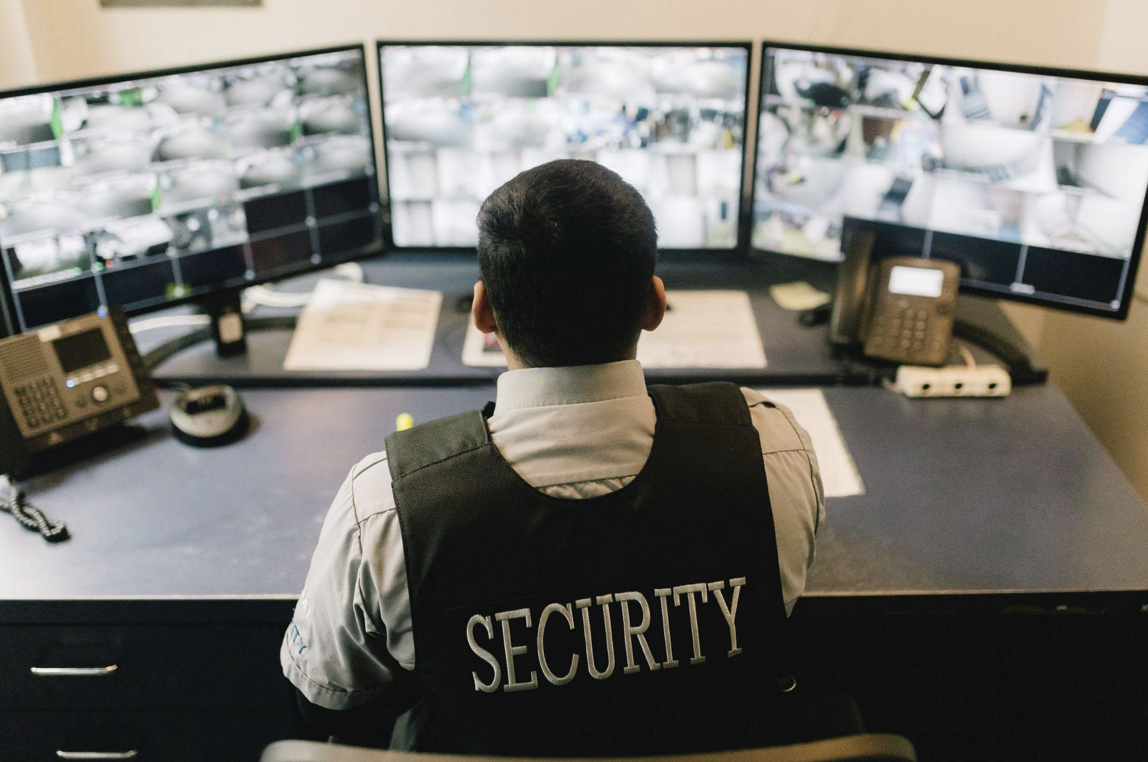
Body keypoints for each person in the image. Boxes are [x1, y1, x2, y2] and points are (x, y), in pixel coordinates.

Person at [281, 159, 824, 755]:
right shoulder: (772, 453)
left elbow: (325, 701)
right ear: (655, 305)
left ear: (483, 313)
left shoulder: (384, 510)